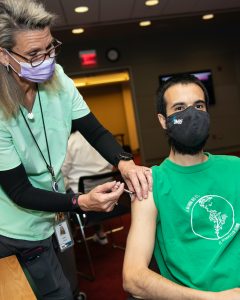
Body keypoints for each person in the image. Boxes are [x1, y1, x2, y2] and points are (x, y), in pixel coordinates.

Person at [0, 0, 152, 299]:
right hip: (14, 226)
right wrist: (80, 201)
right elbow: (18, 191)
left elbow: (94, 130)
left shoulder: (59, 80)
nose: (46, 59)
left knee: (70, 287)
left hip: (56, 213)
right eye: (33, 54)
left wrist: (125, 163)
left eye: (50, 48)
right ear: (4, 56)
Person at [123, 74, 240, 300]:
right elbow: (133, 277)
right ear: (163, 120)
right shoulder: (150, 184)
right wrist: (214, 299)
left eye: (198, 106)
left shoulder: (236, 168)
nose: (192, 115)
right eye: (179, 108)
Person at [62, 131, 115, 245]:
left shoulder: (70, 142)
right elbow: (111, 165)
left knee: (61, 192)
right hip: (107, 196)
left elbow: (62, 171)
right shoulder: (101, 139)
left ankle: (72, 233)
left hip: (82, 199)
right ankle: (100, 232)